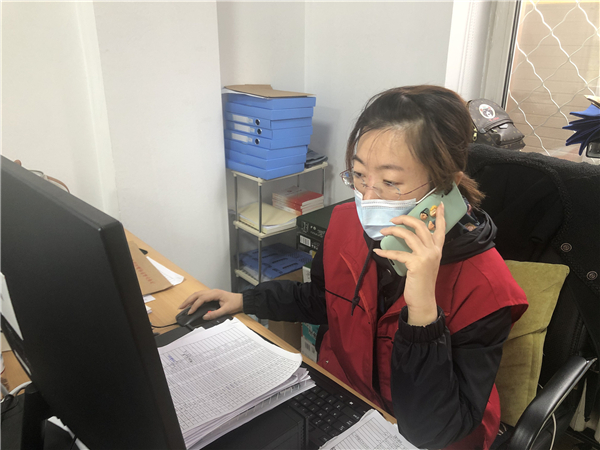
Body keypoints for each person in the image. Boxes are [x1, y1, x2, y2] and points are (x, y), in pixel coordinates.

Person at [180, 85, 529, 450]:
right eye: (360, 175)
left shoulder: (487, 288)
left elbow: (433, 430)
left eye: (391, 182)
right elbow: (322, 299)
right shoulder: (346, 222)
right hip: (350, 403)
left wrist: (423, 312)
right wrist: (244, 300)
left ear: (446, 186)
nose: (368, 197)